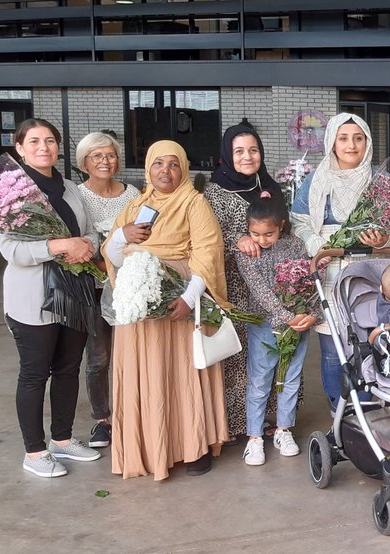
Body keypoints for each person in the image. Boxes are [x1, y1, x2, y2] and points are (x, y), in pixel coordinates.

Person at [104, 140, 231, 480]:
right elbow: (113, 257)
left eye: (173, 164)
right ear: (148, 168)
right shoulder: (135, 206)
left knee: (181, 376)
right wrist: (121, 235)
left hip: (179, 307)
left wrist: (188, 298)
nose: (165, 171)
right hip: (141, 312)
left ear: (184, 169)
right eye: (158, 164)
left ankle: (193, 447)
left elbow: (207, 252)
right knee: (147, 376)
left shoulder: (194, 203)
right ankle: (148, 447)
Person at [0, 119, 102, 478]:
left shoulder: (70, 187)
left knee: (67, 369)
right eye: (35, 141)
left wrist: (88, 246)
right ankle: (34, 451)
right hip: (33, 299)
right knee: (33, 374)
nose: (44, 147)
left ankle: (61, 439)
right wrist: (60, 245)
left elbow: (88, 230)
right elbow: (11, 249)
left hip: (74, 293)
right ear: (20, 148)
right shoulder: (11, 193)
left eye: (50, 141)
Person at [291, 113, 390, 409]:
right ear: (332, 143)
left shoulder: (380, 180)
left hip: (369, 273)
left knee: (367, 344)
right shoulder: (316, 180)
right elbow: (298, 222)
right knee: (332, 348)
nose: (351, 145)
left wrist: (385, 239)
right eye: (343, 138)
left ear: (368, 142)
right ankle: (339, 412)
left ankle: (367, 410)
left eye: (358, 138)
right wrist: (316, 243)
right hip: (329, 270)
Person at [204, 123, 285, 440]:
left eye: (253, 150)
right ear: (227, 155)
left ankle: (275, 419)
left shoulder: (270, 185)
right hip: (237, 288)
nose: (247, 156)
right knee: (243, 359)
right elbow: (207, 238)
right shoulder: (216, 192)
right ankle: (240, 424)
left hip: (274, 284)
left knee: (275, 351)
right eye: (239, 151)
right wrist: (235, 240)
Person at [234, 198, 318, 466]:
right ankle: (255, 437)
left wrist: (310, 314)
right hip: (263, 324)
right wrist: (286, 317)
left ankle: (284, 430)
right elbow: (259, 291)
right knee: (260, 380)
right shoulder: (246, 252)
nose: (261, 240)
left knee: (290, 377)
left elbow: (309, 281)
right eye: (255, 233)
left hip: (298, 323)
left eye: (268, 233)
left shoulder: (295, 245)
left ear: (281, 226)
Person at [75, 131, 140, 450]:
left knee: (131, 354)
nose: (105, 161)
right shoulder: (76, 196)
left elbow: (145, 234)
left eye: (110, 155)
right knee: (99, 358)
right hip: (94, 286)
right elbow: (75, 242)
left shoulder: (132, 194)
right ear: (84, 161)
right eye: (97, 156)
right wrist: (99, 262)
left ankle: (132, 413)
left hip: (130, 286)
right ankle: (102, 420)